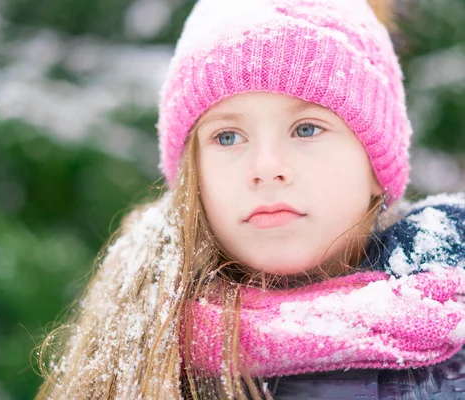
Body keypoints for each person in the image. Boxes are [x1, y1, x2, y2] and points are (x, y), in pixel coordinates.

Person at [35, 0, 465, 398]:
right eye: (227, 136)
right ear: (192, 177)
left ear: (375, 163)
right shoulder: (141, 347)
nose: (265, 166)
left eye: (307, 129)